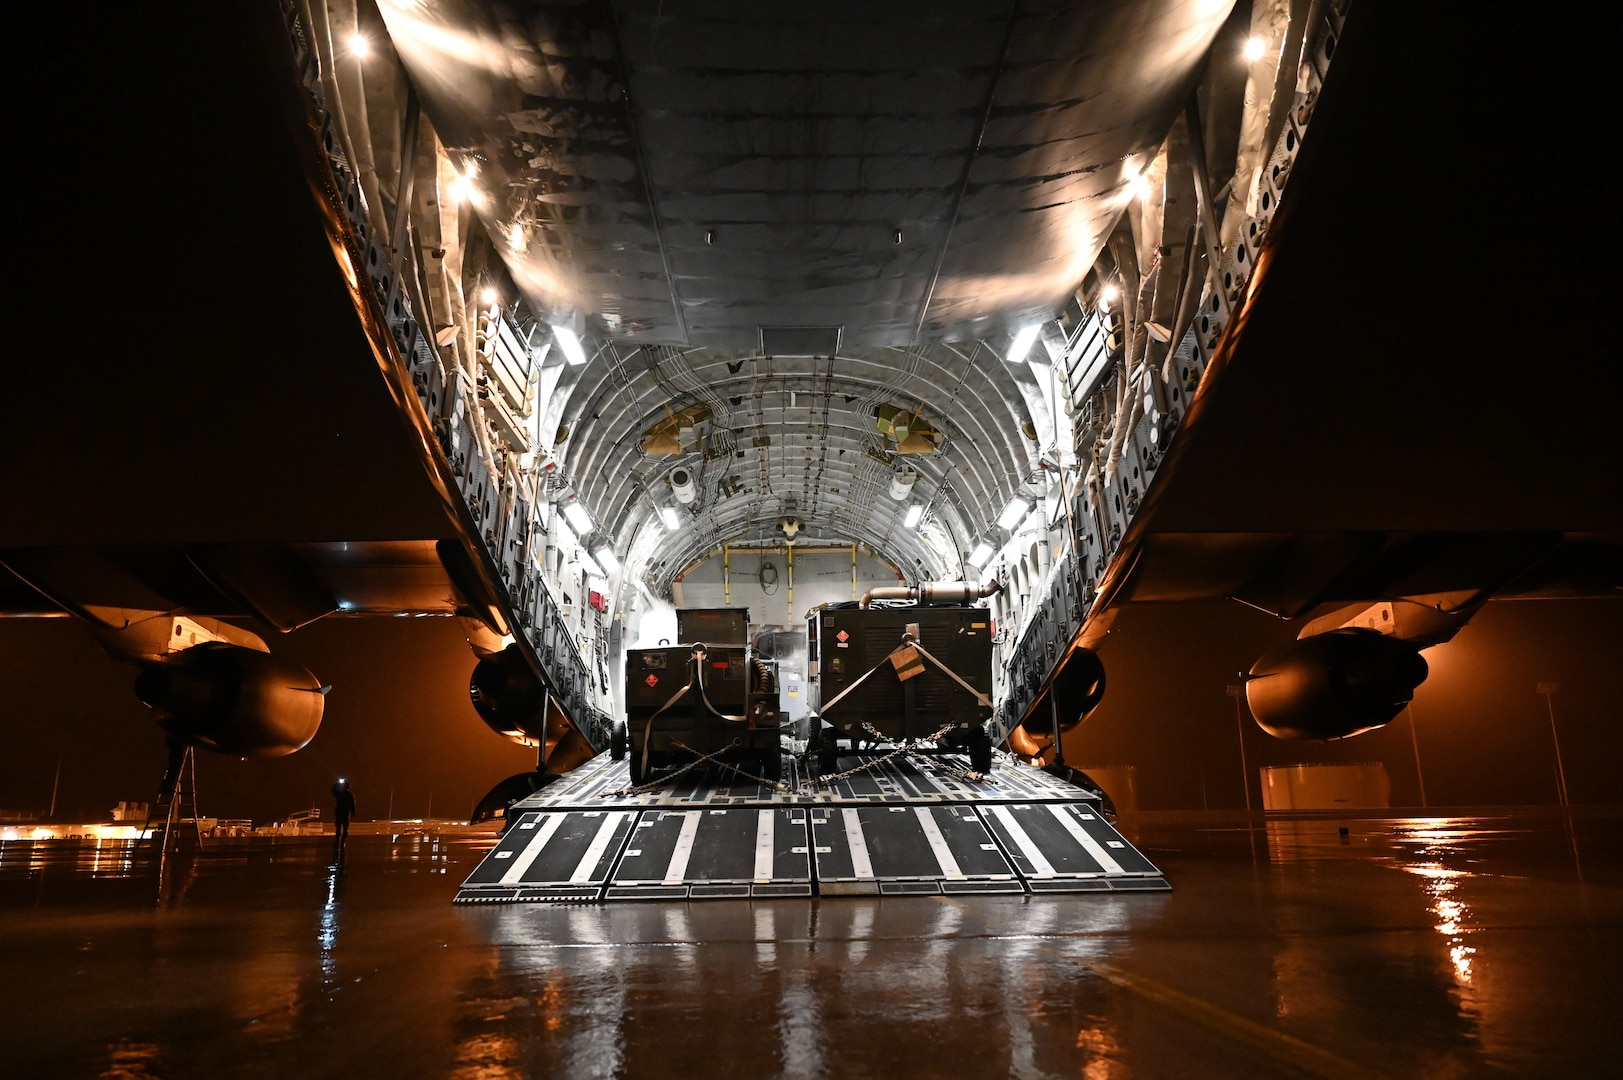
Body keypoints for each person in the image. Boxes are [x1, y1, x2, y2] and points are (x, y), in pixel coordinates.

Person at [331, 778, 356, 853]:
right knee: (345, 829)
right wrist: (353, 813)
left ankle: (337, 842)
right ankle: (342, 842)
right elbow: (353, 805)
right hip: (346, 814)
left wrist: (337, 783)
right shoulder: (350, 795)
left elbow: (332, 789)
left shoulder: (340, 794)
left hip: (340, 813)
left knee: (338, 829)